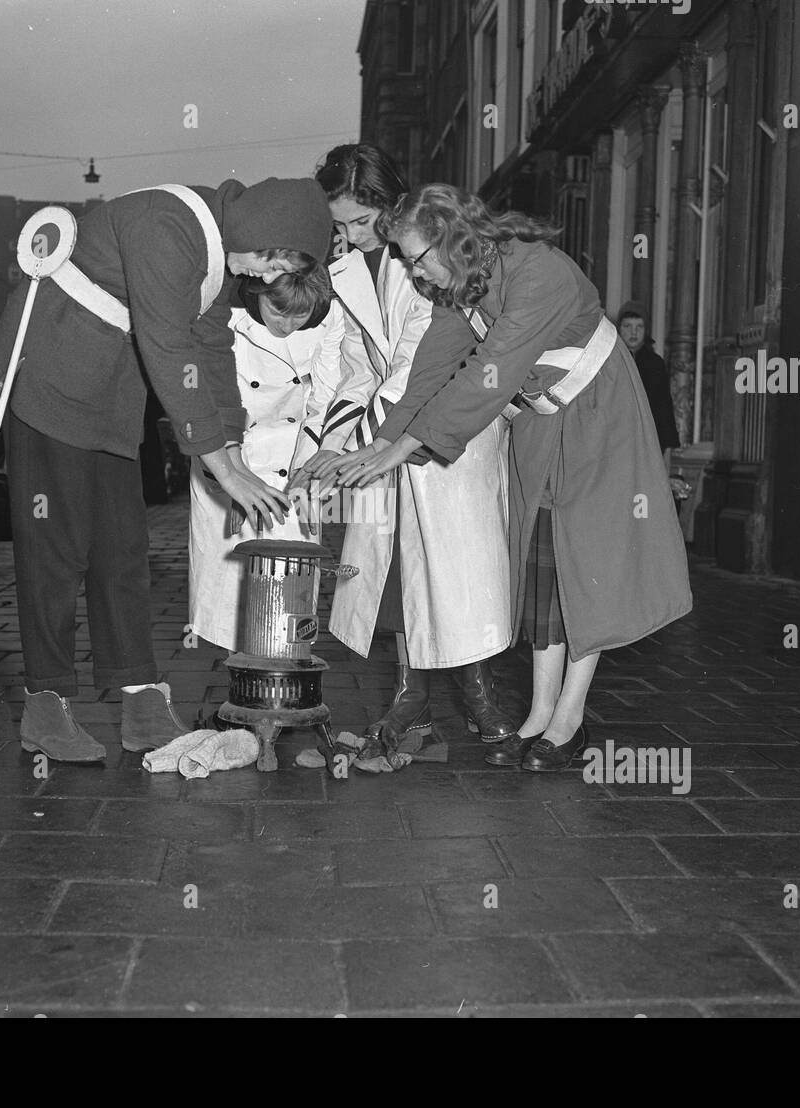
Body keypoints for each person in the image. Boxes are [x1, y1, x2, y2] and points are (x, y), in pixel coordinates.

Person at [326, 185, 692, 772]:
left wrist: (407, 448)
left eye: (418, 258)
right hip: (545, 423)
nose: (414, 273)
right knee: (542, 563)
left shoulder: (538, 272)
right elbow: (429, 374)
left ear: (453, 237)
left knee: (587, 564)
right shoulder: (464, 283)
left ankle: (569, 721)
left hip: (600, 419)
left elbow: (490, 376)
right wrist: (379, 444)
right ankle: (538, 716)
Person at [0, 177, 333, 764]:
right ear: (257, 230)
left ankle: (140, 699)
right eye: (271, 260)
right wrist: (215, 461)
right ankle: (45, 706)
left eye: (279, 267)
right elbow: (169, 349)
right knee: (55, 551)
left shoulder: (216, 254)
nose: (268, 277)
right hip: (49, 378)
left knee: (121, 547)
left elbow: (210, 348)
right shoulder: (168, 227)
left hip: (108, 395)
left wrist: (233, 454)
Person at [306, 145, 516, 760]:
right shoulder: (348, 266)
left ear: (385, 202)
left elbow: (417, 360)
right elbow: (352, 361)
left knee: (460, 569)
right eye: (337, 224)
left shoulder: (424, 248)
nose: (346, 236)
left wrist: (372, 443)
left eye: (356, 221)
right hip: (384, 436)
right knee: (398, 570)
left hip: (450, 430)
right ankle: (410, 694)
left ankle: (480, 695)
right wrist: (333, 444)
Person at [189, 268, 370, 648]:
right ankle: (236, 688)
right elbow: (209, 397)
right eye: (278, 311)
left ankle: (283, 686)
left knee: (289, 593)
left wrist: (308, 468)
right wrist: (231, 474)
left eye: (299, 316)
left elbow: (325, 397)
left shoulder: (332, 316)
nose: (287, 325)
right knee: (226, 600)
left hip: (294, 454)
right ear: (257, 292)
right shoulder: (221, 314)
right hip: (229, 451)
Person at [616, 301, 679, 476]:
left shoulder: (655, 364)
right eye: (627, 326)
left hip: (648, 443)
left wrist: (667, 450)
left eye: (639, 326)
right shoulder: (609, 363)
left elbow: (664, 409)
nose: (633, 332)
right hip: (615, 443)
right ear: (619, 328)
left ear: (646, 329)